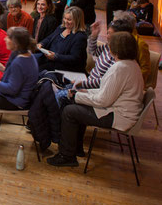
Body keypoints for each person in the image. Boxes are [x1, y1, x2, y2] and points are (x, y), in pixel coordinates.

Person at [47, 32, 144, 167]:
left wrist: (77, 95)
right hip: (120, 110)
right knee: (72, 104)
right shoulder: (131, 64)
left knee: (69, 111)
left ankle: (67, 155)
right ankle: (75, 148)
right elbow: (107, 91)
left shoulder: (119, 68)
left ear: (116, 49)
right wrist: (85, 92)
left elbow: (103, 101)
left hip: (119, 116)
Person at [36, 6, 88, 73]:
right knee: (30, 59)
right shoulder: (61, 28)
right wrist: (41, 44)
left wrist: (56, 57)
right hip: (50, 60)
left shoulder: (80, 37)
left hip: (63, 66)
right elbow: (49, 38)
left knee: (35, 69)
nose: (65, 21)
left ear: (77, 21)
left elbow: (75, 58)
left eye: (69, 20)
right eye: (65, 18)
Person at [114, 11, 151, 84]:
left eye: (114, 23)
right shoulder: (116, 38)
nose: (112, 26)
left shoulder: (140, 44)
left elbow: (145, 69)